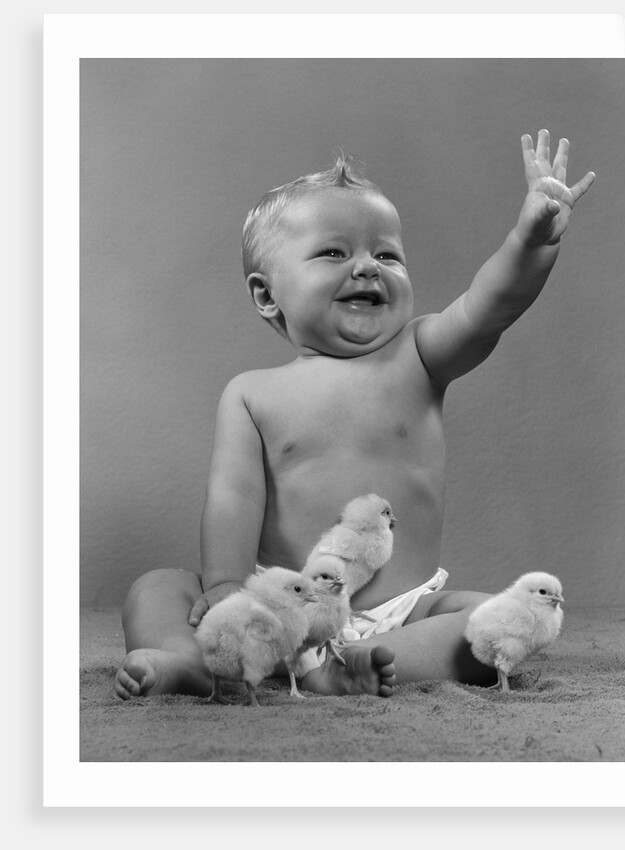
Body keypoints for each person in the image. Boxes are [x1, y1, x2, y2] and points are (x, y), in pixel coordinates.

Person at [114, 129, 594, 700]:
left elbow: (489, 308)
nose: (368, 267)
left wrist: (531, 241)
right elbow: (232, 499)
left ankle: (355, 664)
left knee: (490, 616)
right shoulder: (252, 394)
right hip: (284, 605)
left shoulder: (420, 356)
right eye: (334, 253)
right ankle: (190, 661)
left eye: (387, 254)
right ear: (267, 295)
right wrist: (223, 585)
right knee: (156, 588)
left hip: (405, 611)